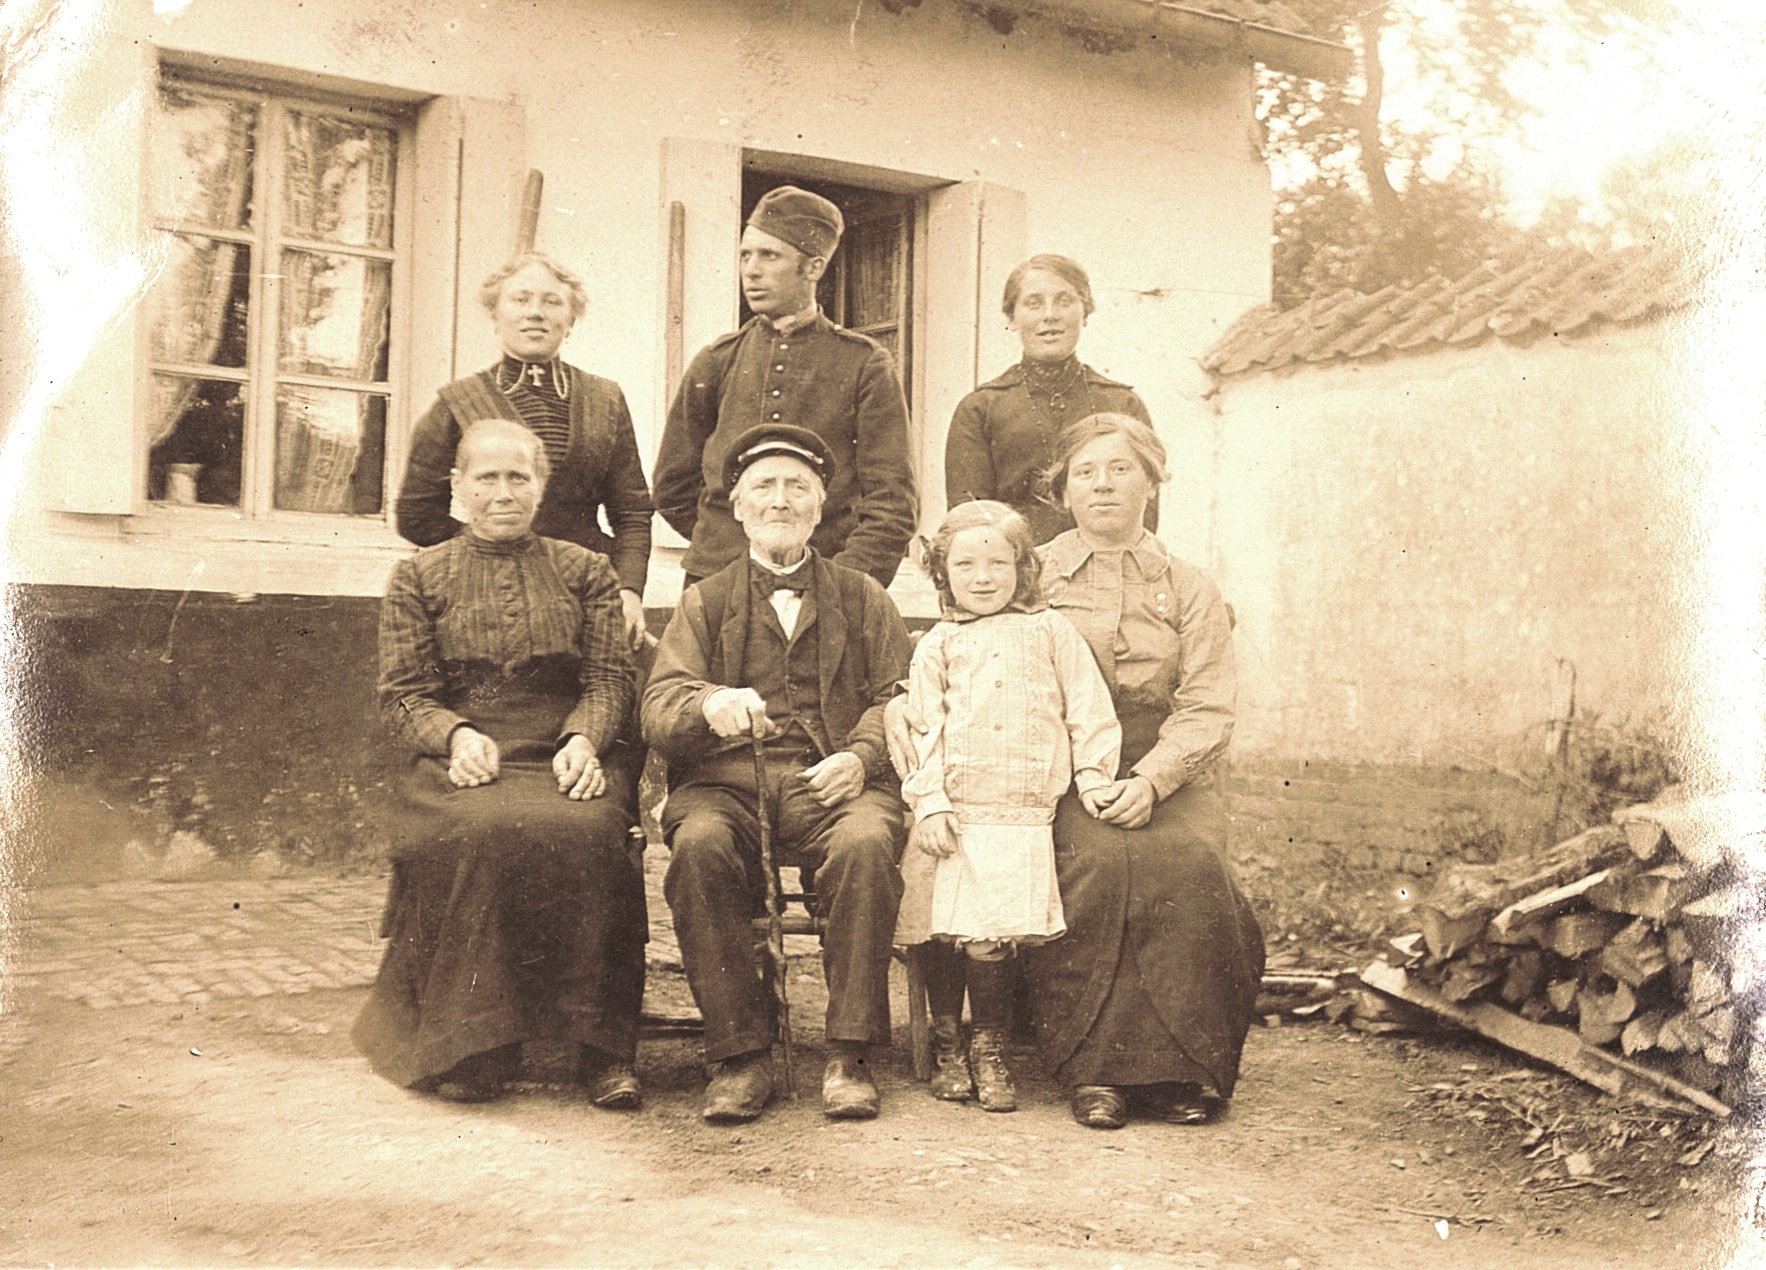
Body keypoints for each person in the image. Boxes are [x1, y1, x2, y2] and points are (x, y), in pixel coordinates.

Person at [892, 412, 1264, 1130]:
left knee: (1188, 863)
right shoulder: (1024, 571)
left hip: (1168, 769)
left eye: (1121, 470)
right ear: (1060, 489)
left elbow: (1210, 704)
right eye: (1085, 473)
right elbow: (952, 654)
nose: (1103, 486)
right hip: (1051, 768)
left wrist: (1152, 780)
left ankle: (1187, 1068)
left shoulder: (1189, 588)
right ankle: (1097, 1070)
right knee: (1092, 862)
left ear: (1152, 483)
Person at [354, 418, 647, 1109]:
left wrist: (584, 740)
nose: (503, 492)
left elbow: (610, 680)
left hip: (565, 750)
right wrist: (453, 734)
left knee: (592, 830)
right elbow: (402, 697)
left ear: (541, 487)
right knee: (481, 831)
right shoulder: (417, 576)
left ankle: (599, 1051)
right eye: (486, 477)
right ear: (458, 489)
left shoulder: (587, 572)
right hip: (462, 758)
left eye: (519, 477)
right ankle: (476, 1044)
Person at [643, 423, 912, 1123]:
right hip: (726, 788)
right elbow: (660, 704)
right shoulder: (703, 602)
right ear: (737, 506)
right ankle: (740, 1054)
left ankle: (849, 1053)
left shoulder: (863, 597)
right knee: (698, 846)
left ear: (822, 506)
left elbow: (900, 696)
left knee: (865, 843)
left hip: (836, 785)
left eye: (799, 486)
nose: (781, 500)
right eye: (764, 486)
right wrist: (710, 703)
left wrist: (861, 756)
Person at [892, 500, 1121, 1113]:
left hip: (1018, 814)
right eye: (965, 564)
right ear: (944, 576)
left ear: (1023, 567)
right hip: (953, 815)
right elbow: (922, 729)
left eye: (998, 562)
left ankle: (988, 1045)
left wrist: (1096, 777)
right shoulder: (937, 645)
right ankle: (947, 1040)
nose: (983, 576)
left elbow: (1088, 708)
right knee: (943, 930)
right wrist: (932, 801)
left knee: (990, 938)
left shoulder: (1051, 631)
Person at [652, 185, 916, 588]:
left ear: (813, 268)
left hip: (825, 585)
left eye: (768, 255)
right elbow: (672, 486)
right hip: (716, 580)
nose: (751, 270)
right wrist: (734, 542)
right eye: (745, 255)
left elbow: (892, 504)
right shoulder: (717, 360)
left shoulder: (865, 363)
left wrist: (842, 585)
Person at [395, 252, 655, 650]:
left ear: (570, 321)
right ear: (495, 317)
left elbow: (633, 511)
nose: (535, 312)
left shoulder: (605, 398)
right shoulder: (457, 403)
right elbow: (416, 517)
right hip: (487, 595)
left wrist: (629, 592)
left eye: (552, 302)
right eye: (520, 300)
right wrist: (489, 543)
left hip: (588, 592)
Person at [944, 254, 1156, 545]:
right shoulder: (980, 409)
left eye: (1064, 301)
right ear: (1012, 317)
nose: (1050, 315)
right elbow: (968, 525)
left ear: (1085, 313)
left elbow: (1144, 518)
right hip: (1015, 577)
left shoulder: (1123, 405)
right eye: (1033, 303)